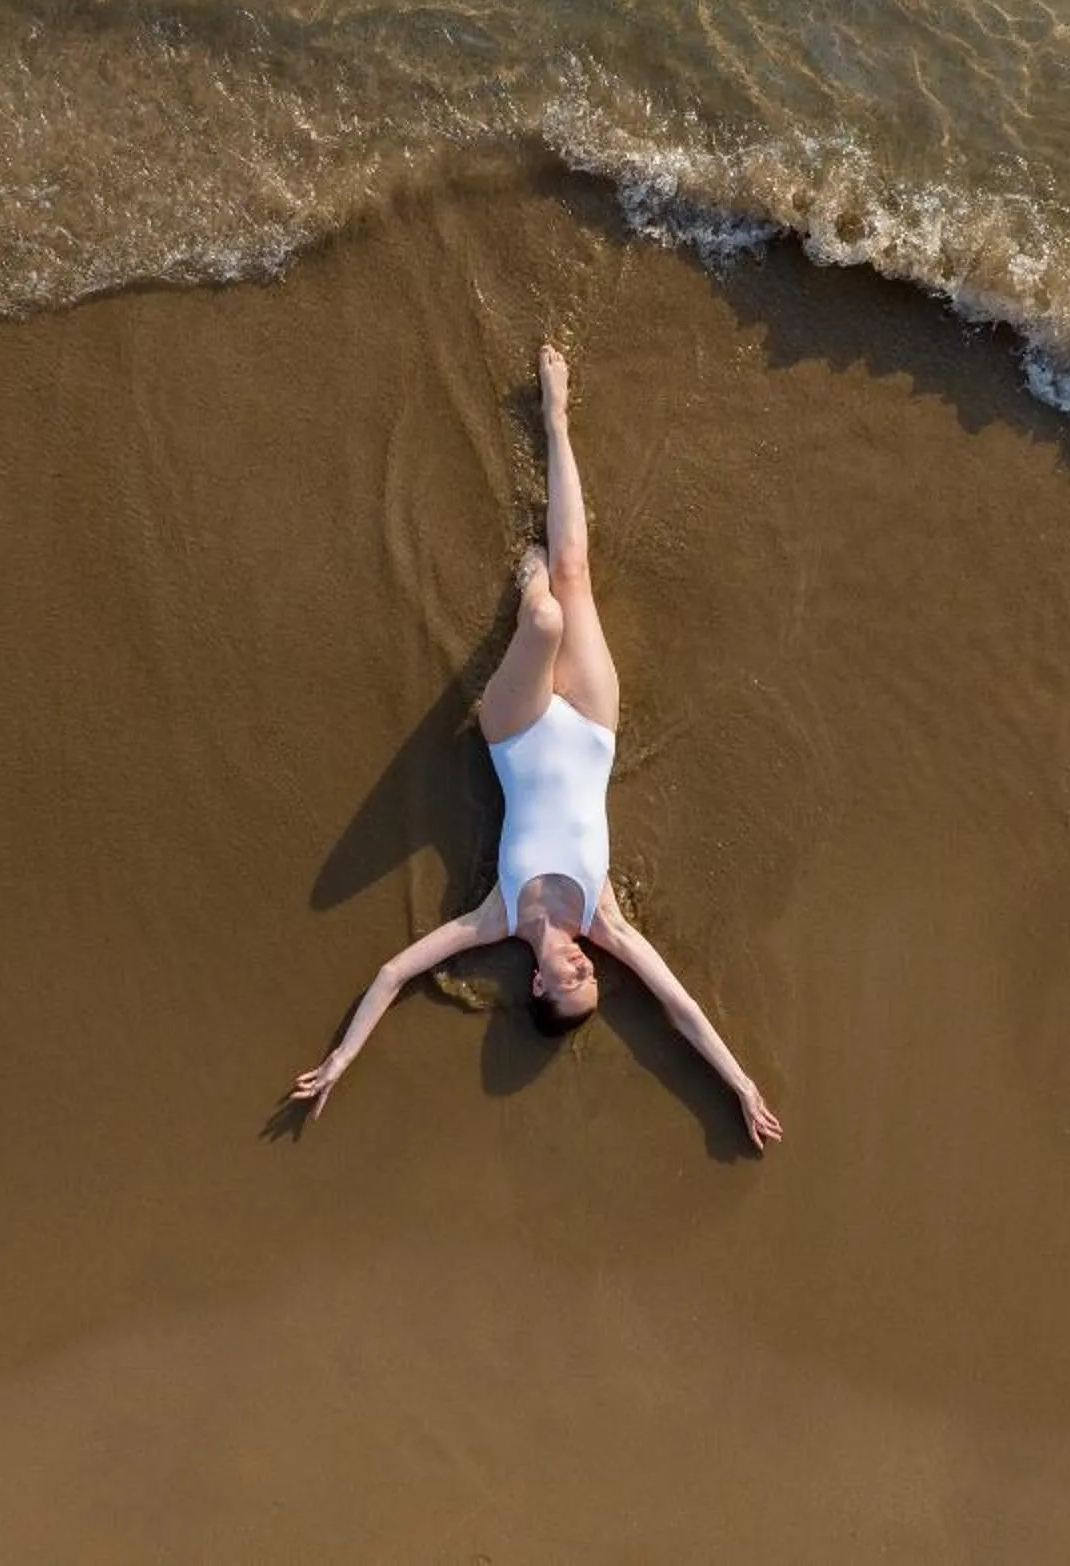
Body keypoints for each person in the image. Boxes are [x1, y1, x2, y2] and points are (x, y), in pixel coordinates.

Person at [288, 345, 784, 1151]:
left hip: (516, 737)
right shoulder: (606, 921)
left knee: (546, 614)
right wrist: (741, 1083)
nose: (591, 974)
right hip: (591, 728)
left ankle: (526, 581)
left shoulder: (494, 922)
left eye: (574, 986)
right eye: (592, 981)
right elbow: (681, 1006)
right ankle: (556, 418)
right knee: (577, 576)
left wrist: (342, 1057)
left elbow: (394, 973)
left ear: (539, 984)